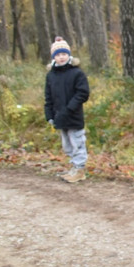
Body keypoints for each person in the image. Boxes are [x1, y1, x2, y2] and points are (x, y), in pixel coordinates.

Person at [44, 36, 90, 184]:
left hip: (73, 115)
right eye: (58, 55)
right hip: (59, 117)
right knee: (67, 145)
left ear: (69, 55)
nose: (61, 57)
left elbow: (83, 93)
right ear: (53, 57)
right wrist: (49, 114)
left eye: (63, 54)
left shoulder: (77, 73)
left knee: (77, 142)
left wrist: (70, 108)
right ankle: (74, 167)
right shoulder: (51, 76)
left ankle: (80, 169)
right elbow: (48, 96)